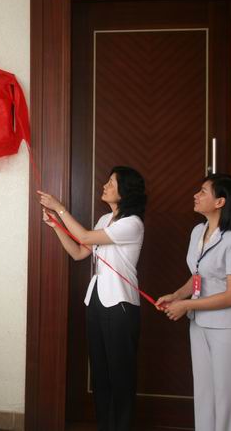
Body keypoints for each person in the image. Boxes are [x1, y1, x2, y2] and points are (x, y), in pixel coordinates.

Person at [38, 166, 146, 431]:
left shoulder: (132, 224)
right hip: (96, 300)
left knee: (121, 375)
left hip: (120, 305)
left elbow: (85, 236)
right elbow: (78, 252)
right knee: (100, 372)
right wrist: (56, 226)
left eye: (111, 183)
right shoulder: (104, 219)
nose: (105, 186)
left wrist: (60, 208)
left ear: (125, 191)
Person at [156, 174, 231, 431]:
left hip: (229, 328)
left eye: (202, 192)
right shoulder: (198, 231)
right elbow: (198, 275)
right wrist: (178, 295)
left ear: (220, 201)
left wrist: (186, 306)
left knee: (227, 400)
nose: (196, 196)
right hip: (199, 324)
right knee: (204, 396)